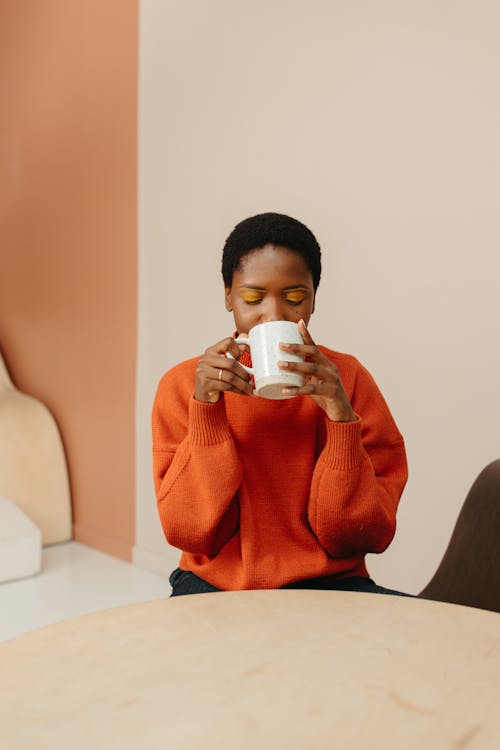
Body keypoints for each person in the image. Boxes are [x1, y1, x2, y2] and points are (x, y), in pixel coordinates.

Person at [152, 212, 410, 597]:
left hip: (333, 585)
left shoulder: (348, 380)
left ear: (313, 299)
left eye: (294, 298)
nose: (273, 315)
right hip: (216, 586)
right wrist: (206, 409)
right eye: (253, 298)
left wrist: (340, 418)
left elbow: (360, 535)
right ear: (228, 296)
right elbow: (190, 532)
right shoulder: (184, 385)